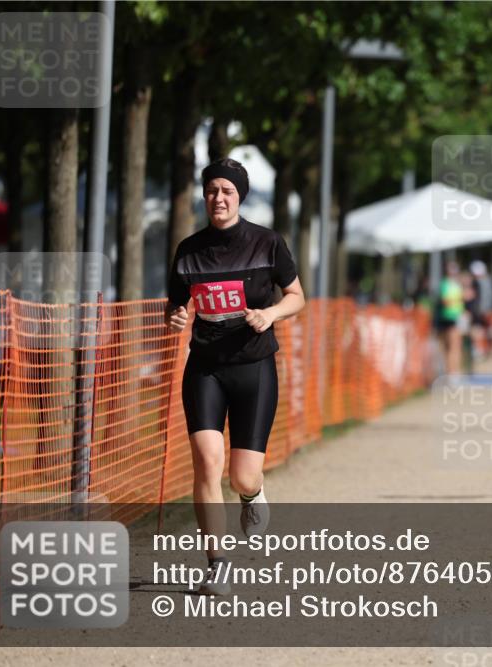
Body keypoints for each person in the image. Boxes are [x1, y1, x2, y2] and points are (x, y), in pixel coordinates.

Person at [166, 158, 306, 594]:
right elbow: (176, 302)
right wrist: (174, 315)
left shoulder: (266, 243)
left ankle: (250, 494)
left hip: (254, 367)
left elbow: (297, 296)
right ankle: (218, 565)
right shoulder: (189, 249)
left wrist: (270, 313)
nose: (218, 198)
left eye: (227, 190)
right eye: (211, 190)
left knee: (242, 476)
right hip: (205, 367)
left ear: (240, 195)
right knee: (207, 461)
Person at [434, 261, 465, 382]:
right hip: (450, 318)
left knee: (452, 347)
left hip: (454, 317)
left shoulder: (455, 284)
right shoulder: (446, 284)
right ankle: (452, 374)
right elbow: (446, 301)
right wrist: (460, 301)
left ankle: (452, 373)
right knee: (453, 347)